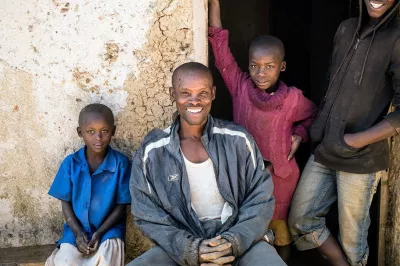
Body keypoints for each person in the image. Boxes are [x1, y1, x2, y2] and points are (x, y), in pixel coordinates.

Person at [127, 62, 286, 266]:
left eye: (202, 93)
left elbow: (260, 199)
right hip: (181, 246)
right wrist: (191, 249)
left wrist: (232, 242)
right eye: (185, 93)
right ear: (172, 94)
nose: (195, 101)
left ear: (213, 93)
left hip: (240, 240)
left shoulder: (238, 140)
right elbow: (146, 212)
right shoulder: (153, 151)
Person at [289, 1, 400, 265]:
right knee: (300, 219)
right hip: (327, 147)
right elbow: (330, 82)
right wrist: (319, 130)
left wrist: (354, 140)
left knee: (353, 242)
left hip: (361, 157)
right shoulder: (346, 29)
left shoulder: (396, 38)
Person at [208, 0, 317, 260]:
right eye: (255, 65)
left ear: (282, 66)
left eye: (269, 66)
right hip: (243, 176)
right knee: (245, 230)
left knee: (280, 231)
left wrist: (299, 135)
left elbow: (315, 115)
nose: (260, 72)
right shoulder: (241, 87)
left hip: (280, 179)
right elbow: (221, 51)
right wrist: (213, 3)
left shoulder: (292, 99)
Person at [46, 103, 131, 266]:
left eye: (104, 131)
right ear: (80, 132)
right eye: (90, 132)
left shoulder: (121, 164)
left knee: (107, 257)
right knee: (65, 260)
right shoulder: (71, 164)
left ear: (113, 131)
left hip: (108, 230)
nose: (98, 138)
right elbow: (66, 203)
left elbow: (121, 208)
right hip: (76, 230)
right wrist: (78, 233)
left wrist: (99, 233)